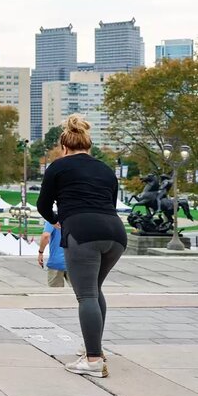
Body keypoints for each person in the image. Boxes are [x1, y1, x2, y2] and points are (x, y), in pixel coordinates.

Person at [37, 114, 126, 378]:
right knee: (95, 290)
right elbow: (110, 200)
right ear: (88, 145)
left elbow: (43, 205)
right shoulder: (105, 169)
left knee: (85, 295)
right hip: (115, 234)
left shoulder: (58, 167)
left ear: (65, 147)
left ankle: (94, 360)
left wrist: (57, 221)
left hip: (82, 232)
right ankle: (94, 347)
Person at [38, 221, 67, 287]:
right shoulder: (76, 217)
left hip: (56, 261)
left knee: (55, 293)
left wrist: (40, 252)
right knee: (78, 292)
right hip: (75, 262)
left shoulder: (53, 219)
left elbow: (46, 236)